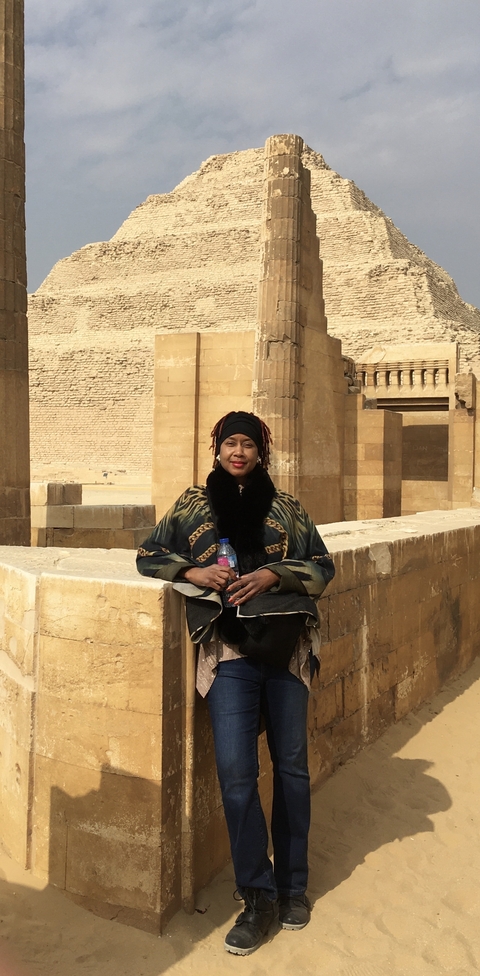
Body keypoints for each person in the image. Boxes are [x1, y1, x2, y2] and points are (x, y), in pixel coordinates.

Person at [137, 411, 335, 955]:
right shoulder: (192, 506)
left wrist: (275, 573)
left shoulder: (286, 508)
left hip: (285, 650)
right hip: (227, 653)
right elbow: (148, 555)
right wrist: (193, 572)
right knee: (237, 775)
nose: (239, 452)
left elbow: (322, 565)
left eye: (248, 443)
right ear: (218, 449)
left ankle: (293, 888)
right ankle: (257, 896)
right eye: (231, 443)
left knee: (292, 769)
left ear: (260, 451)